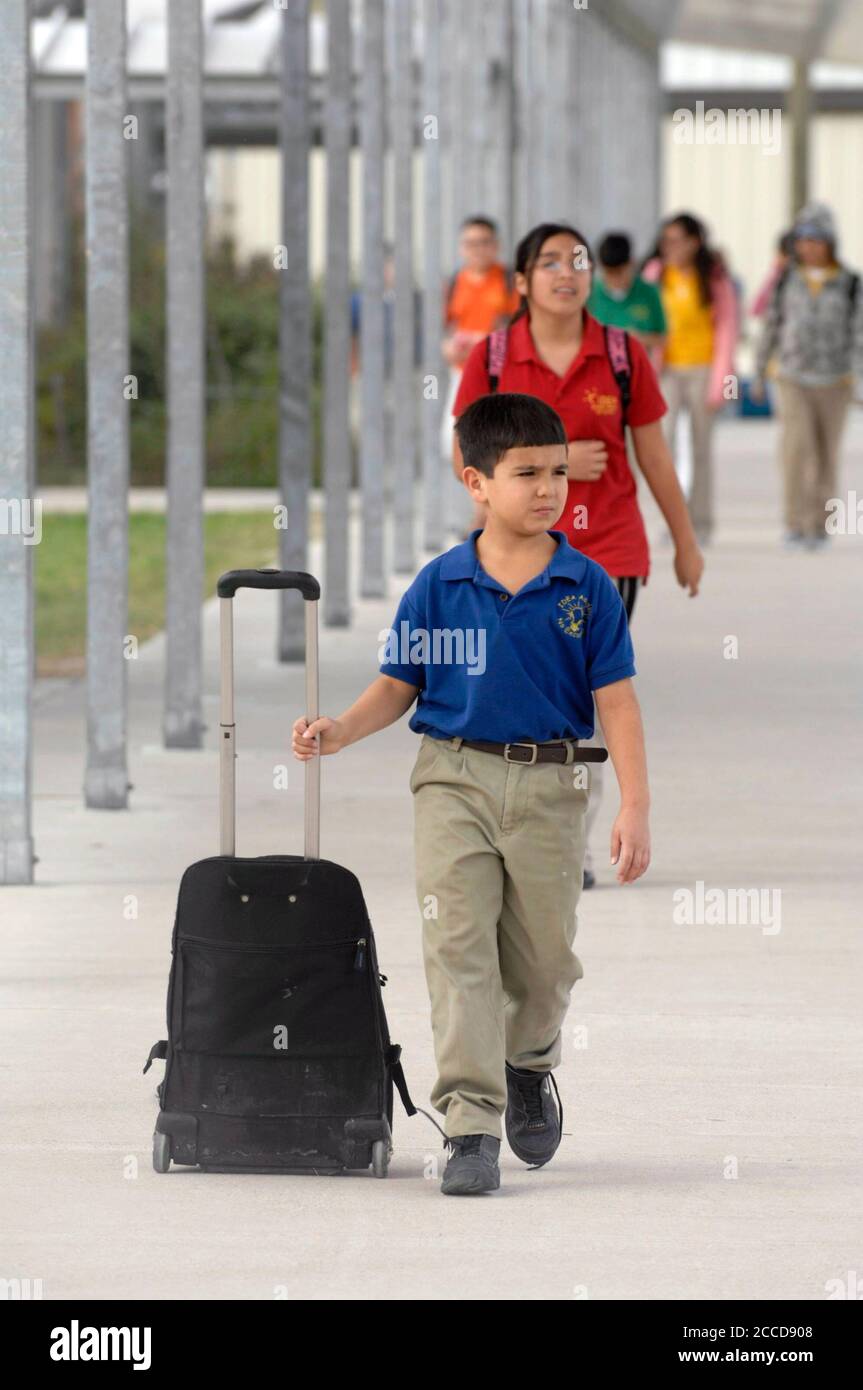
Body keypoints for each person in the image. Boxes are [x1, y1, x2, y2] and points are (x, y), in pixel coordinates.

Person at [292, 391, 652, 1196]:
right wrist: (341, 729)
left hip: (552, 784)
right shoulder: (440, 584)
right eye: (526, 473)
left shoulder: (584, 587)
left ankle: (527, 1066)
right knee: (456, 949)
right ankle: (469, 1126)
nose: (549, 488)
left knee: (545, 959)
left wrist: (633, 803)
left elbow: (617, 700)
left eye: (558, 472)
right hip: (451, 776)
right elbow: (398, 685)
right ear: (475, 481)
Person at [451, 222, 703, 888]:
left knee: (583, 696)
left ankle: (571, 843)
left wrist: (683, 541)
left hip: (607, 554)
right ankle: (503, 829)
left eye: (578, 261)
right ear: (522, 281)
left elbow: (652, 453)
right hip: (512, 554)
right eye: (550, 262)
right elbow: (464, 450)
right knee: (515, 690)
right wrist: (556, 465)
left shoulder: (620, 354)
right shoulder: (494, 356)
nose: (567, 273)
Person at [753, 202, 863, 551]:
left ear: (830, 242)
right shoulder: (787, 279)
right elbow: (770, 326)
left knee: (826, 454)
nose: (809, 247)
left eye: (816, 239)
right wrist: (758, 371)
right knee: (796, 451)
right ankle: (796, 523)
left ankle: (819, 525)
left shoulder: (850, 284)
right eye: (803, 239)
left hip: (836, 381)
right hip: (793, 377)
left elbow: (859, 334)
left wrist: (859, 378)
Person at [641, 212, 739, 545]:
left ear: (695, 242)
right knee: (663, 448)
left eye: (678, 240)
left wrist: (723, 379)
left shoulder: (712, 277)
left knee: (700, 448)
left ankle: (702, 522)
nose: (671, 247)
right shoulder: (654, 275)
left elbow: (727, 327)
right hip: (664, 371)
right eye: (666, 240)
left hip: (703, 368)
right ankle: (673, 521)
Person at [440, 216, 521, 536]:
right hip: (463, 373)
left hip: (500, 375)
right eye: (471, 243)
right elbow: (445, 328)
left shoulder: (508, 282)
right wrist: (449, 346)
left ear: (496, 246)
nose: (478, 249)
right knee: (456, 443)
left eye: (484, 242)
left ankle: (485, 517)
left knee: (496, 441)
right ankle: (484, 509)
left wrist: (485, 340)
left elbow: (517, 326)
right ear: (462, 247)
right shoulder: (456, 282)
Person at [588, 230, 666, 364]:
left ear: (631, 263)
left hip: (638, 369)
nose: (614, 279)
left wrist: (639, 338)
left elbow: (663, 337)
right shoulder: (589, 294)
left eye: (619, 273)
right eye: (609, 273)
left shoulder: (649, 292)